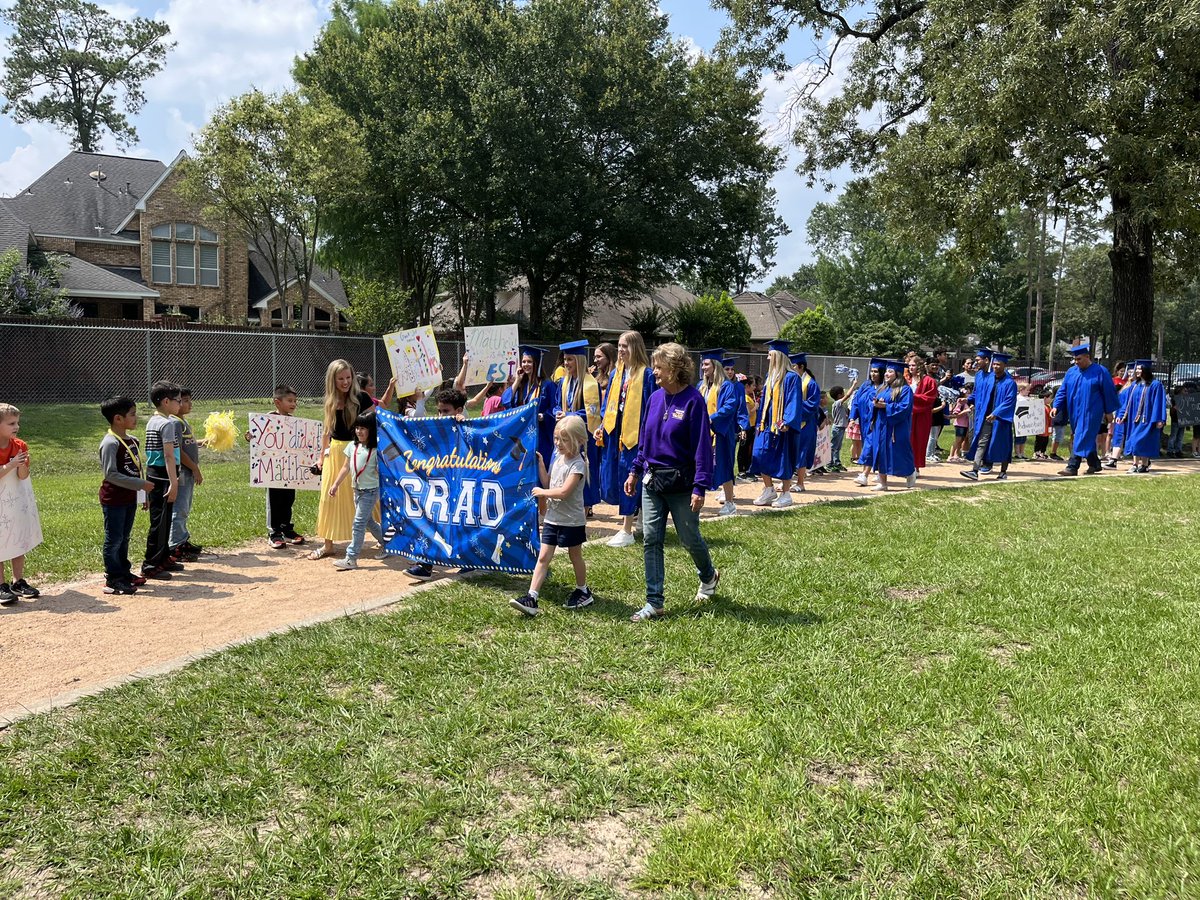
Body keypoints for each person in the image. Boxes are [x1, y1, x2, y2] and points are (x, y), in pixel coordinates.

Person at [624, 342, 719, 622]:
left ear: (675, 369)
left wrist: (700, 486)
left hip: (682, 483)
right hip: (653, 481)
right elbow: (645, 439)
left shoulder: (693, 400)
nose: (654, 371)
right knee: (651, 539)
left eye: (659, 367)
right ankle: (655, 602)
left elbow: (703, 446)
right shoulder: (654, 398)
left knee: (690, 538)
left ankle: (708, 575)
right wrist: (634, 470)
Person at [510, 416, 593, 616]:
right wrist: (541, 466)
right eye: (556, 438)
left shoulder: (578, 465)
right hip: (552, 519)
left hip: (571, 521)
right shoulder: (557, 457)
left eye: (564, 440)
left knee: (575, 556)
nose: (558, 443)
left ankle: (583, 591)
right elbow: (549, 484)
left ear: (579, 440)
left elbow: (563, 492)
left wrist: (542, 493)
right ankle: (532, 597)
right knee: (543, 557)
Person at [595, 330, 656, 547]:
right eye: (619, 346)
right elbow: (608, 406)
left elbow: (651, 408)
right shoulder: (615, 374)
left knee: (630, 476)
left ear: (635, 348)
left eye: (625, 346)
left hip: (636, 436)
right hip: (615, 434)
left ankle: (627, 529)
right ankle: (637, 519)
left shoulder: (646, 375)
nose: (621, 350)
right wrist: (602, 426)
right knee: (615, 477)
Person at [310, 359, 373, 560]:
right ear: (333, 380)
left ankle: (384, 538)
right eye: (341, 378)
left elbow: (375, 420)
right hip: (335, 452)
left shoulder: (361, 397)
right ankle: (328, 545)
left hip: (357, 451)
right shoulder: (330, 400)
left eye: (348, 377)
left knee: (367, 496)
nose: (345, 382)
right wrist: (321, 458)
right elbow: (326, 431)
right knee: (329, 497)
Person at [404, 388, 470, 580]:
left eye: (446, 411)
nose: (441, 415)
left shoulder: (465, 427)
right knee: (432, 520)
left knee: (460, 523)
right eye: (439, 411)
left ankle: (469, 561)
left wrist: (462, 422)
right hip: (438, 486)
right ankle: (426, 564)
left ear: (458, 411)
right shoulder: (435, 428)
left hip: (460, 486)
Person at [97, 396, 153, 596]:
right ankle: (113, 578)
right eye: (132, 414)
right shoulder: (110, 443)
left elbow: (137, 470)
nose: (136, 417)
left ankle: (124, 572)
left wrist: (142, 493)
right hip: (114, 499)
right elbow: (110, 474)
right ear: (118, 419)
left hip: (130, 497)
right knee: (114, 539)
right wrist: (141, 484)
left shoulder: (132, 440)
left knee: (125, 537)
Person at [1051, 344, 1119, 476]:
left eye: (1079, 359)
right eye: (1075, 360)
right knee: (1085, 436)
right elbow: (1063, 390)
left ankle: (1072, 466)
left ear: (1088, 357)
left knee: (1081, 435)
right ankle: (1094, 463)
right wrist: (1056, 405)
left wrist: (1109, 411)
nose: (1077, 362)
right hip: (1074, 411)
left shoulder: (1100, 371)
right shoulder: (1072, 372)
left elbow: (1108, 392)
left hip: (1092, 411)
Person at [329, 412, 385, 571]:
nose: (359, 431)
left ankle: (351, 558)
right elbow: (346, 467)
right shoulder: (352, 446)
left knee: (358, 523)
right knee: (368, 522)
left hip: (370, 491)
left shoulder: (375, 450)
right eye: (357, 428)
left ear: (371, 430)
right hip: (357, 490)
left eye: (363, 428)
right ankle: (386, 543)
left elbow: (383, 470)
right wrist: (335, 484)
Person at [553, 340, 602, 516]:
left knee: (584, 467)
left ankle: (587, 506)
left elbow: (592, 412)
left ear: (579, 361)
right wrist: (558, 412)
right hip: (566, 433)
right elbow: (557, 403)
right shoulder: (564, 382)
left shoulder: (590, 384)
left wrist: (570, 416)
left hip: (583, 435)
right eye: (565, 360)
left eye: (570, 360)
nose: (566, 363)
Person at [141, 381, 184, 580]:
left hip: (156, 474)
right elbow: (168, 456)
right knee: (159, 522)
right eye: (178, 400)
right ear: (166, 401)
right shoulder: (167, 424)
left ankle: (163, 557)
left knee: (164, 519)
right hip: (163, 476)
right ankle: (150, 564)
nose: (180, 404)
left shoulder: (153, 420)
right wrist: (173, 483)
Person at [0, 403, 39, 603]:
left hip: (14, 500)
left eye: (17, 423)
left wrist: (22, 465)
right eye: (11, 423)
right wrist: (11, 464)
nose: (16, 427)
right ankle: (1, 585)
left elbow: (23, 477)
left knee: (17, 537)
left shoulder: (20, 445)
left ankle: (18, 581)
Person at [261, 385, 306, 549]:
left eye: (295, 401)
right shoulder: (267, 418)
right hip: (273, 470)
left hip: (289, 470)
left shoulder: (294, 422)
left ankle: (286, 529)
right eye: (289, 401)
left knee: (288, 499)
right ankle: (274, 532)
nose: (293, 404)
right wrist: (250, 435)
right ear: (277, 402)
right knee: (275, 500)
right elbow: (256, 436)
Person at [961, 352, 1017, 481]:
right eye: (995, 364)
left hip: (1001, 419)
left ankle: (1003, 472)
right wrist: (968, 400)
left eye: (999, 364)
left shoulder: (1010, 383)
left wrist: (996, 413)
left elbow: (1009, 401)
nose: (995, 367)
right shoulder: (989, 379)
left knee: (1003, 443)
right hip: (986, 416)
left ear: (1004, 365)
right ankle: (974, 470)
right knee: (982, 442)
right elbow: (980, 394)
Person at [700, 349, 742, 516]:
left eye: (706, 364)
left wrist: (713, 418)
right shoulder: (702, 386)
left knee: (724, 466)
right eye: (702, 364)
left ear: (715, 366)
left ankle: (730, 503)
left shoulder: (726, 386)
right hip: (704, 433)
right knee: (701, 466)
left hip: (721, 433)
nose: (703, 367)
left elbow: (730, 406)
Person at [503, 345, 558, 466]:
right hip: (523, 435)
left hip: (540, 434)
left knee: (539, 464)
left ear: (536, 363)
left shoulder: (548, 385)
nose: (526, 364)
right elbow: (506, 401)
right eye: (523, 362)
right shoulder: (522, 385)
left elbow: (555, 408)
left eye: (529, 362)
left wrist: (543, 416)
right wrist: (517, 380)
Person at [865, 361, 915, 491]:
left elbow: (905, 408)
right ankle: (883, 483)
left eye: (890, 372)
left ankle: (910, 472)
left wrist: (886, 406)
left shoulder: (905, 390)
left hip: (896, 427)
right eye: (886, 371)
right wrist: (875, 404)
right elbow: (872, 403)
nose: (886, 374)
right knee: (880, 451)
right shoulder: (883, 388)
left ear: (897, 374)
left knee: (900, 452)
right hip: (880, 426)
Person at [168, 387, 203, 562]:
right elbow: (178, 451)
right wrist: (195, 468)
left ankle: (182, 540)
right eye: (184, 400)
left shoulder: (182, 421)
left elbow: (187, 443)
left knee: (185, 507)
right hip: (182, 472)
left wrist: (201, 442)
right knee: (179, 509)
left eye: (189, 399)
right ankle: (175, 546)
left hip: (187, 472)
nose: (188, 404)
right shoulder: (175, 423)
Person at [1116, 360, 1166, 473]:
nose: (1136, 371)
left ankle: (1144, 464)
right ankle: (1135, 464)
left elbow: (1159, 402)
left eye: (1139, 369)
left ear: (1146, 370)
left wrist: (1159, 419)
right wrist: (1121, 414)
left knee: (1143, 441)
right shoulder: (1134, 385)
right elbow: (1127, 403)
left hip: (1147, 419)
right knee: (1133, 440)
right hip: (1134, 418)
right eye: (1136, 369)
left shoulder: (1155, 385)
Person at [788, 352, 821, 493]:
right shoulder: (792, 381)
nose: (791, 368)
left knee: (801, 452)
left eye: (793, 366)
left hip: (805, 423)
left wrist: (795, 410)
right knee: (790, 451)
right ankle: (787, 481)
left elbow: (812, 406)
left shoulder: (811, 384)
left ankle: (800, 483)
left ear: (801, 367)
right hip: (792, 422)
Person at [852, 359, 887, 486]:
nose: (873, 374)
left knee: (869, 446)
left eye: (876, 371)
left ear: (882, 373)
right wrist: (852, 418)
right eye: (872, 371)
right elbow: (856, 402)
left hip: (877, 422)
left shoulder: (886, 387)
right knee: (871, 446)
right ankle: (879, 472)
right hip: (863, 422)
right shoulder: (866, 385)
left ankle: (864, 474)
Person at [907, 354, 938, 472]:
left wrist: (911, 398)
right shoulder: (906, 380)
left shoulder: (929, 381)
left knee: (919, 440)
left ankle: (916, 466)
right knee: (906, 440)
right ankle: (906, 465)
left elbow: (929, 399)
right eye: (909, 365)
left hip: (921, 416)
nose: (911, 368)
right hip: (907, 415)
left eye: (913, 365)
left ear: (919, 366)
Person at [827, 383, 852, 473]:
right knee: (833, 447)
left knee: (838, 447)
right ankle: (829, 463)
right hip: (837, 428)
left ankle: (836, 462)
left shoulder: (841, 405)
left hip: (841, 428)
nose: (845, 394)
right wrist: (853, 384)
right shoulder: (837, 403)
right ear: (839, 395)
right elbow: (848, 395)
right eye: (843, 393)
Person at [947, 388, 972, 462]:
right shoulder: (960, 402)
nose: (969, 395)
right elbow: (956, 414)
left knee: (961, 440)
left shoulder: (968, 402)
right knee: (957, 440)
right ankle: (950, 456)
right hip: (959, 424)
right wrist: (966, 411)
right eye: (967, 393)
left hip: (965, 424)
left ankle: (956, 455)